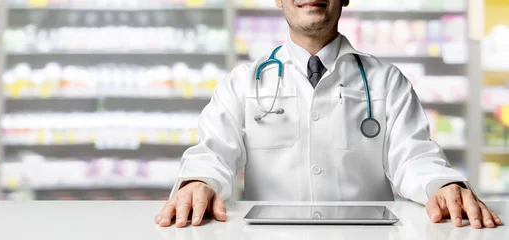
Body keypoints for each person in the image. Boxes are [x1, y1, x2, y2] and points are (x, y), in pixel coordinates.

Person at [155, 0, 503, 229]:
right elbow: (214, 151)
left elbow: (414, 157)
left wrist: (442, 185)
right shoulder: (243, 82)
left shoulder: (386, 80)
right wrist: (200, 181)